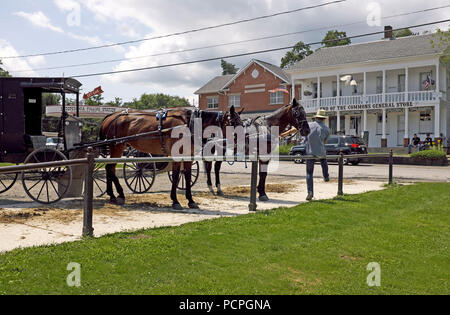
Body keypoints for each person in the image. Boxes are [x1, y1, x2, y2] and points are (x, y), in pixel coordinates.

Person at [304, 109, 330, 201]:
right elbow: (324, 142)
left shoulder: (309, 125)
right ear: (324, 119)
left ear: (316, 117)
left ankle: (310, 192)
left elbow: (303, 134)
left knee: (309, 173)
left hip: (310, 152)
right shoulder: (327, 129)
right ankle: (326, 176)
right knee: (323, 159)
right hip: (321, 152)